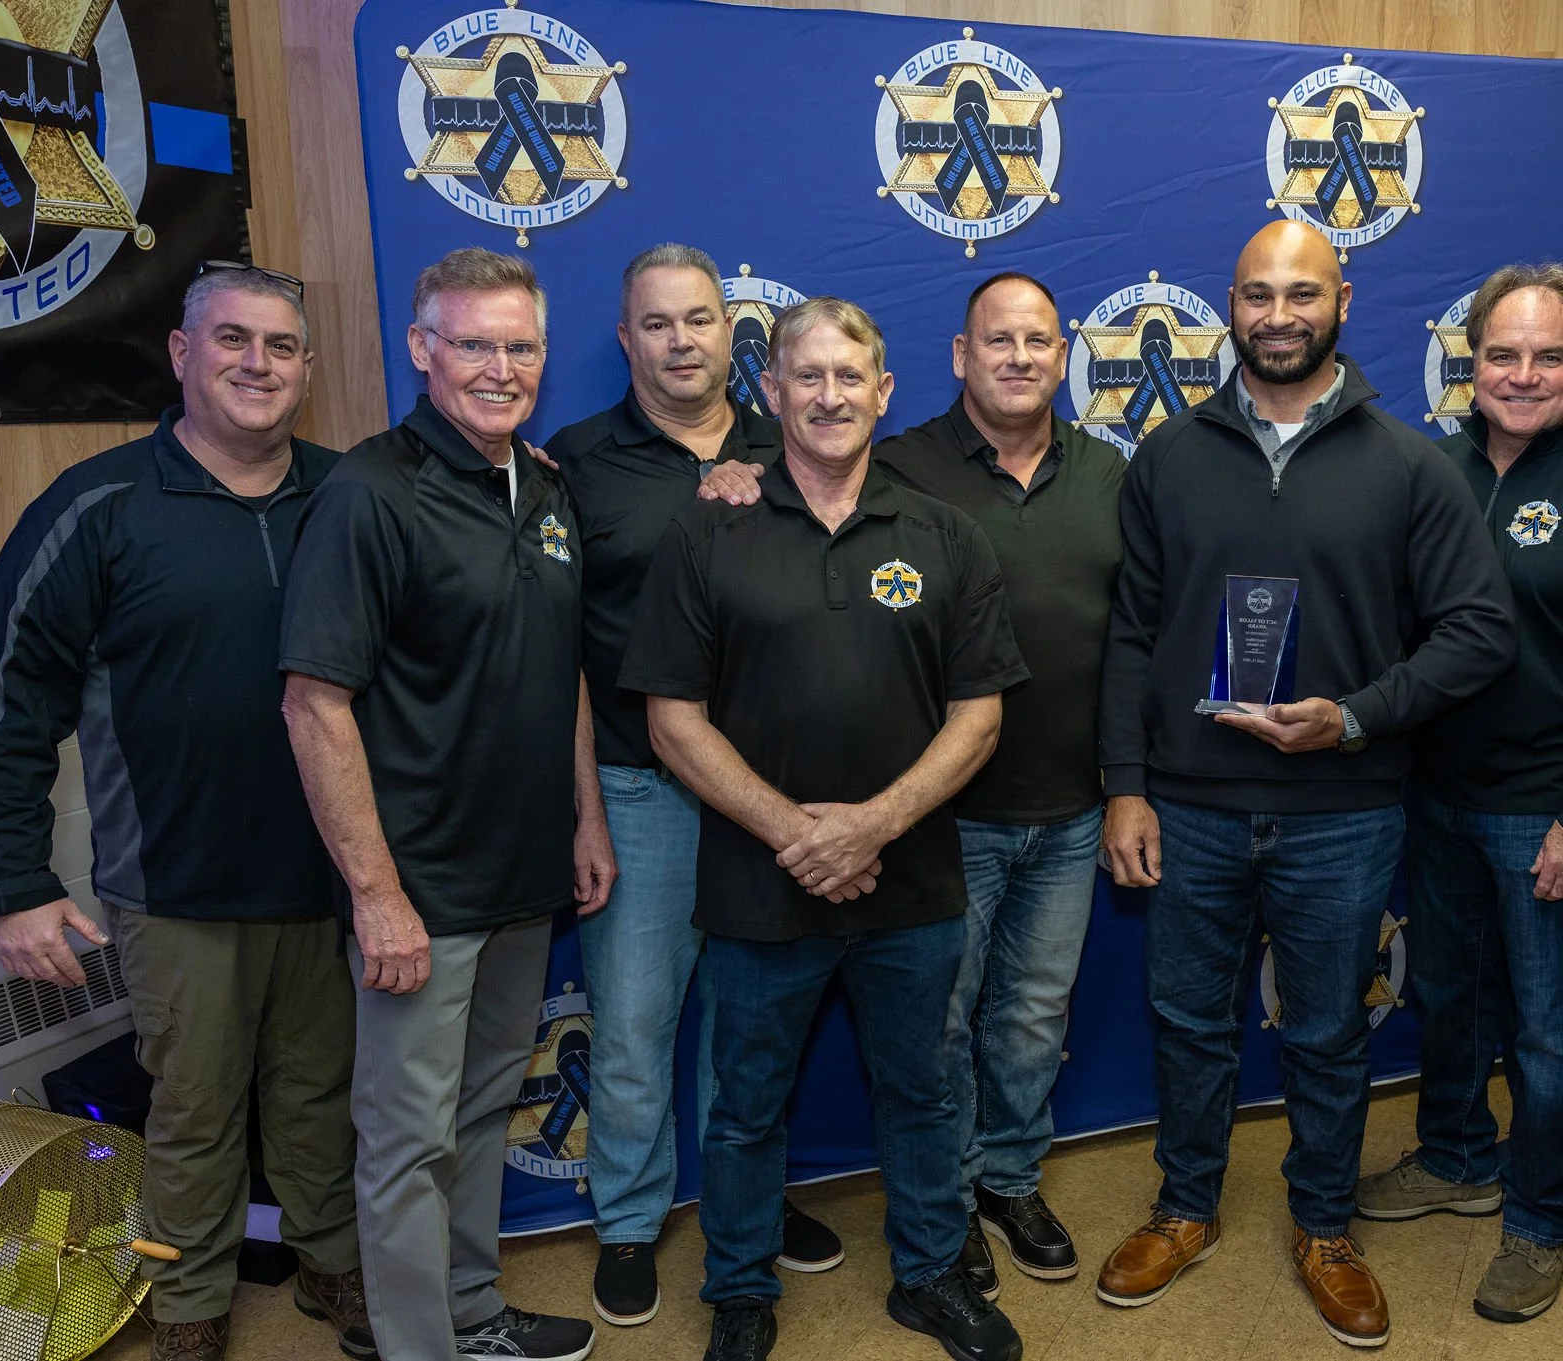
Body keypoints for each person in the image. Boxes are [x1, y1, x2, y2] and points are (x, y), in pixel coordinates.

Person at [1095, 220, 1515, 1349]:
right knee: (1187, 1019)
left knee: (1327, 1030)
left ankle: (1323, 1224)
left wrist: (1355, 714)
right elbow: (1129, 633)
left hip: (1344, 809)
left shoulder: (1408, 462)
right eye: (1255, 294)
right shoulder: (1167, 457)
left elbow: (1478, 630)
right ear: (1225, 304)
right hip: (1186, 802)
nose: (1276, 314)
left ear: (1341, 299)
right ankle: (1185, 1205)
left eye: (1300, 293)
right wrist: (1124, 787)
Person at [0, 264, 369, 1361]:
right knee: (192, 1113)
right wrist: (18, 884)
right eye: (231, 339)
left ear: (306, 370)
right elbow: (6, 703)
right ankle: (188, 1305)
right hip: (175, 886)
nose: (257, 363)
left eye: (282, 346)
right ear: (183, 355)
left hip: (333, 880)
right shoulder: (95, 507)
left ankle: (333, 1263)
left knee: (320, 1097)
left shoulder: (348, 496)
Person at [628, 297, 1028, 1361]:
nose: (828, 395)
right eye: (805, 376)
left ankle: (932, 1274)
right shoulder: (710, 525)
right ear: (770, 392)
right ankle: (741, 1289)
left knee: (921, 1089)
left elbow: (979, 713)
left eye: (849, 377)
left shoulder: (943, 530)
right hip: (761, 885)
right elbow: (671, 717)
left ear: (886, 392)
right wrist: (798, 834)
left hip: (911, 883)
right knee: (746, 1102)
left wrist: (872, 826)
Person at [280, 248, 610, 1361]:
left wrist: (586, 816)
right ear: (422, 350)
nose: (499, 367)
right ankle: (418, 1346)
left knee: (475, 1118)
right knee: (405, 1141)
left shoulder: (549, 487)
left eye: (520, 347)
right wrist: (375, 893)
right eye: (473, 343)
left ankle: (471, 1312)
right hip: (419, 887)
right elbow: (314, 703)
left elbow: (558, 665)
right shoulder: (369, 493)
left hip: (523, 876)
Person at [1353, 264, 1563, 1324]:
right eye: (1500, 353)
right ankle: (1453, 1154)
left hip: (1545, 809)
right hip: (1431, 793)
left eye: (1546, 355)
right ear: (1469, 361)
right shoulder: (1425, 469)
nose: (1521, 374)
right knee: (1444, 996)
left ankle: (1537, 1215)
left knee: (1546, 1029)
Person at [544, 242, 839, 1330]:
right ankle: (625, 1220)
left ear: (734, 335)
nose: (681, 341)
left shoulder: (800, 441)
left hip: (770, 791)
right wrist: (582, 807)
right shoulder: (574, 462)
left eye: (701, 319)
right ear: (626, 339)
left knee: (750, 1020)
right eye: (657, 323)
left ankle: (741, 1203)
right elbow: (562, 655)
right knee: (630, 1021)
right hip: (638, 783)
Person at [873, 272, 1125, 1299]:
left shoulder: (1109, 470)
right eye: (996, 340)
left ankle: (1009, 1178)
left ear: (1062, 355)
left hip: (1069, 807)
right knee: (939, 1020)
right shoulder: (896, 467)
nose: (1018, 357)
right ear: (958, 355)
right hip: (942, 812)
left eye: (1037, 340)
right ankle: (944, 1195)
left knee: (1029, 1016)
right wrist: (729, 480)